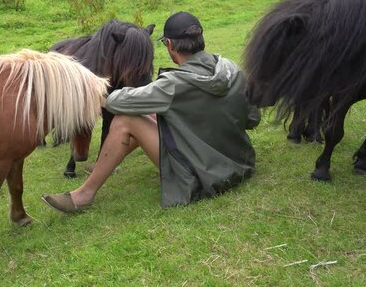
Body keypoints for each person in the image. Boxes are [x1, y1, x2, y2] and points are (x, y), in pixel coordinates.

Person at [42, 11, 259, 212]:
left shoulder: (172, 85)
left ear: (170, 45)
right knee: (151, 114)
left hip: (202, 178)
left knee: (126, 120)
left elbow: (117, 103)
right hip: (240, 164)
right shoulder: (231, 68)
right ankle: (101, 164)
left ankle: (84, 194)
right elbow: (252, 119)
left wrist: (90, 89)